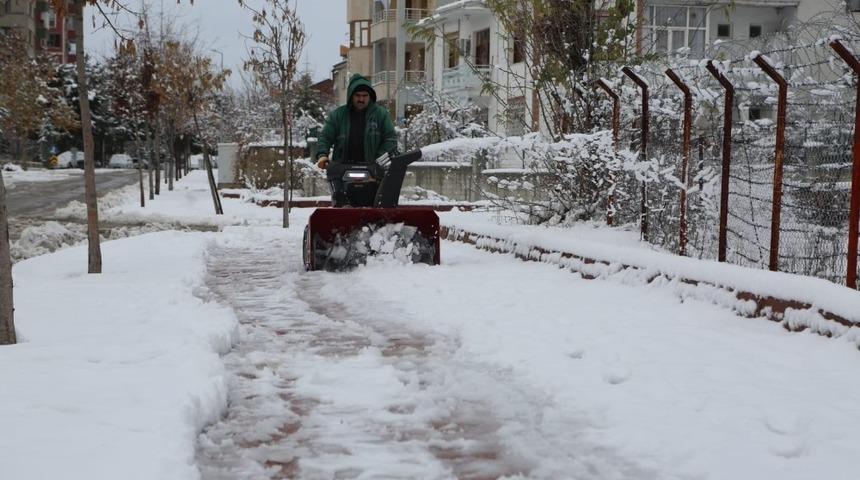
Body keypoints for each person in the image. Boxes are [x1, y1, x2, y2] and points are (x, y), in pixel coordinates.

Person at [316, 74, 397, 205]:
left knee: (379, 199)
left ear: (370, 97)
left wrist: (379, 159)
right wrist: (322, 155)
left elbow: (390, 139)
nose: (361, 99)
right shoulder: (338, 115)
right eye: (358, 95)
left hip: (372, 165)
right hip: (342, 165)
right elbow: (325, 137)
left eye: (365, 96)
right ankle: (340, 202)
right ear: (351, 96)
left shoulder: (381, 115)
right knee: (333, 174)